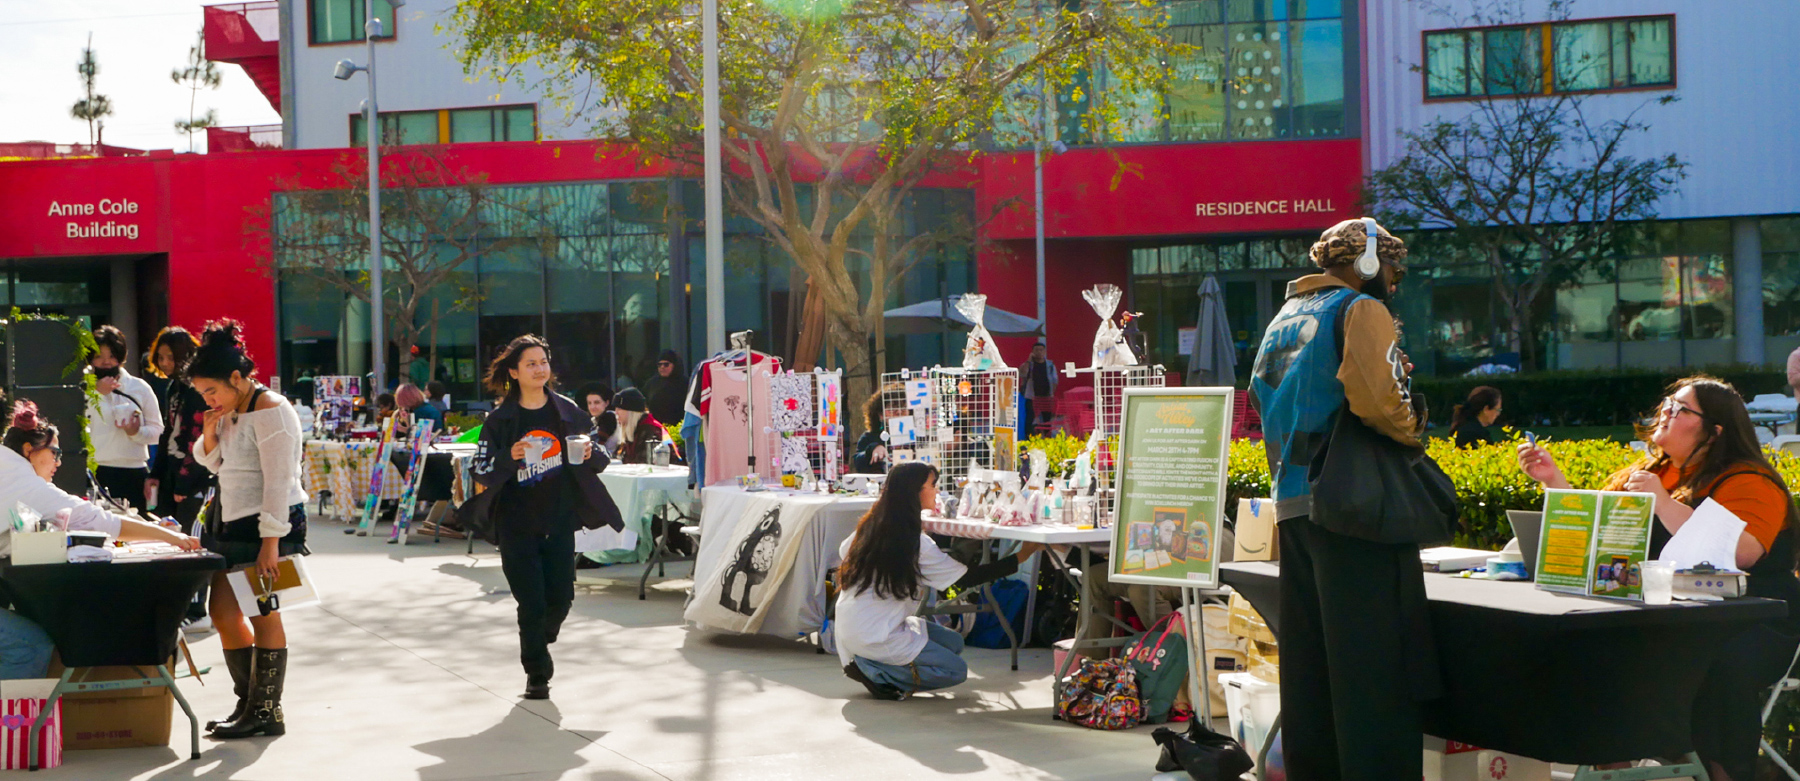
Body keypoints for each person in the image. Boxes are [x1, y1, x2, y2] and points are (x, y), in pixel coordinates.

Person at [1519, 377, 1800, 781]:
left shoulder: (1749, 480)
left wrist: (1663, 503)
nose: (1665, 412)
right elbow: (1602, 535)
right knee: (1586, 649)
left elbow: (1744, 551)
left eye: (1682, 409)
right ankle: (1612, 769)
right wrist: (1555, 483)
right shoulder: (1651, 472)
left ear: (1714, 431)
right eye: (1668, 403)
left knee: (1709, 664)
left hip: (1753, 621)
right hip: (1661, 615)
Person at [1248, 218, 1433, 779]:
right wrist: (1414, 425)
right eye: (1393, 271)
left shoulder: (1285, 316)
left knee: (1312, 671)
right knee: (1373, 671)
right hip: (1355, 509)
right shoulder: (1360, 308)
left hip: (1295, 503)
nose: (1395, 286)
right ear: (1370, 263)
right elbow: (1376, 400)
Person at [460, 335, 624, 700]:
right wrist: (510, 456)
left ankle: (540, 636)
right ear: (514, 373)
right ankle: (537, 674)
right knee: (531, 602)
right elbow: (481, 469)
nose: (539, 369)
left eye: (543, 362)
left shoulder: (568, 413)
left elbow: (600, 458)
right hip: (516, 523)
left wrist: (589, 451)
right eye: (530, 364)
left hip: (559, 520)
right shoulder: (501, 420)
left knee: (561, 598)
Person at [0, 401, 200, 678]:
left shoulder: (10, 468)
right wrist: (173, 538)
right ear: (27, 451)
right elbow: (102, 521)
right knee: (30, 645)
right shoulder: (25, 482)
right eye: (55, 452)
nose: (59, 462)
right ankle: (16, 723)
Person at [190, 320, 309, 740]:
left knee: (263, 612)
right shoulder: (231, 410)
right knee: (223, 614)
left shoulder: (272, 409)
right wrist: (209, 431)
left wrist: (270, 544)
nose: (208, 399)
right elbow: (216, 464)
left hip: (268, 525)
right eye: (202, 393)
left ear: (237, 378)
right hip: (231, 520)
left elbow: (279, 480)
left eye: (212, 390)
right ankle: (249, 703)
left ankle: (265, 710)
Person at [834, 462, 1043, 700]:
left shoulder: (871, 526)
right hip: (875, 633)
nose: (936, 490)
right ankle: (876, 672)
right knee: (954, 671)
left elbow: (843, 552)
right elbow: (967, 579)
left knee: (953, 643)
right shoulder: (916, 543)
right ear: (914, 492)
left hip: (852, 624)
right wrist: (1021, 556)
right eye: (932, 485)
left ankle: (876, 663)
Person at [86, 324, 165, 513]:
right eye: (99, 357)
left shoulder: (139, 388)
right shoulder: (82, 389)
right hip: (95, 471)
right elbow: (72, 424)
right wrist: (94, 393)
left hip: (133, 471)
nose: (106, 363)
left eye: (112, 357)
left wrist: (136, 432)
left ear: (121, 358)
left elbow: (158, 433)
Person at [148, 327, 209, 520]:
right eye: (160, 357)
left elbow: (197, 437)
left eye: (171, 358)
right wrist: (155, 473)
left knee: (189, 532)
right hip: (172, 470)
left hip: (195, 474)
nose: (165, 363)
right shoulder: (173, 387)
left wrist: (184, 482)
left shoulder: (197, 389)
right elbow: (167, 432)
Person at [608, 388, 675, 464]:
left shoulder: (651, 430)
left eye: (619, 409)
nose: (616, 413)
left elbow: (644, 464)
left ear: (631, 412)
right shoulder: (633, 430)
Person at [1018, 342, 1058, 431]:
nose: (1039, 352)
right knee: (1029, 419)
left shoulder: (1050, 365)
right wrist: (1029, 360)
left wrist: (1051, 394)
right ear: (1032, 352)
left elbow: (1055, 380)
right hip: (1031, 397)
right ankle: (1029, 438)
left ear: (1044, 351)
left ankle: (1047, 438)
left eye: (1041, 350)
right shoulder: (1029, 364)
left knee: (1047, 419)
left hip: (1046, 397)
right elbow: (1022, 373)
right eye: (1036, 350)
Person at [643, 350, 687, 428]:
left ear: (674, 365)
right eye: (659, 365)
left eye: (666, 364)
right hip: (656, 428)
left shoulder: (685, 384)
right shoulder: (651, 384)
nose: (662, 367)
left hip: (678, 429)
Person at [852, 392, 888, 474]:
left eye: (904, 408)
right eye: (891, 409)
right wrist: (872, 449)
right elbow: (858, 463)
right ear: (880, 415)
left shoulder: (915, 437)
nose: (899, 413)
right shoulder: (869, 436)